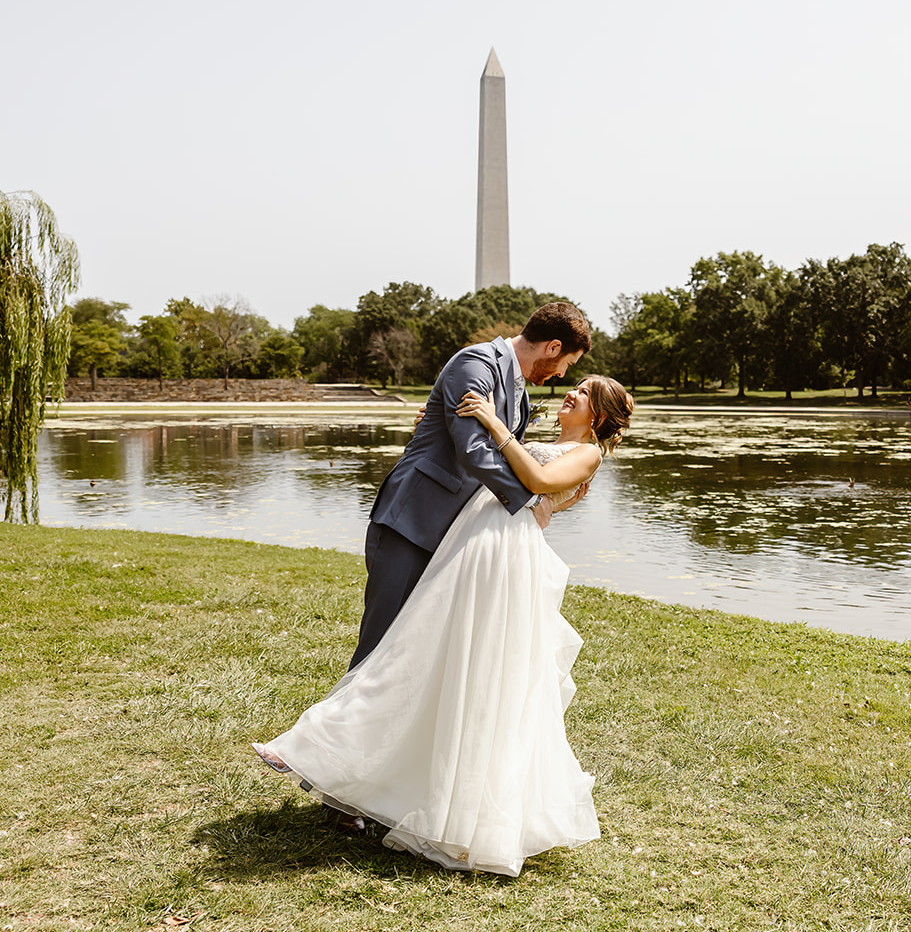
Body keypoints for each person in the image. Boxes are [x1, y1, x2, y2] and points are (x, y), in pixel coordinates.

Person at [253, 374, 635, 876]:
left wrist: (494, 424)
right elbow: (490, 468)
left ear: (599, 417)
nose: (572, 393)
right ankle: (328, 754)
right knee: (418, 653)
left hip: (502, 551)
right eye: (575, 385)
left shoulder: (587, 455)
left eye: (584, 393)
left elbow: (537, 484)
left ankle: (431, 798)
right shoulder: (542, 434)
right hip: (475, 540)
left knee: (447, 659)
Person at [348, 302, 591, 670]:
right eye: (567, 364)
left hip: (455, 536)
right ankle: (339, 726)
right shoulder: (475, 364)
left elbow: (506, 455)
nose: (561, 374)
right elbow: (473, 449)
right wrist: (530, 500)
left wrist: (553, 501)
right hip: (414, 522)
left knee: (415, 653)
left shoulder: (519, 393)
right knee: (380, 646)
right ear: (553, 347)